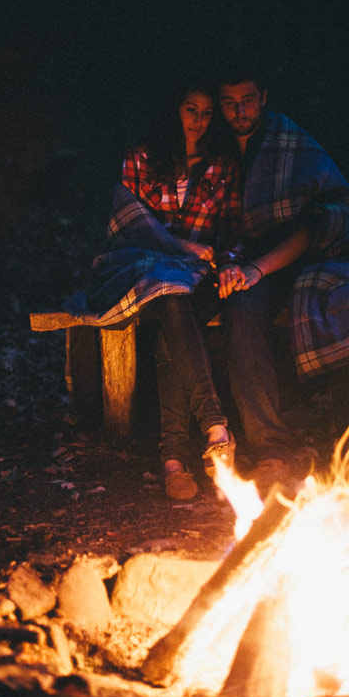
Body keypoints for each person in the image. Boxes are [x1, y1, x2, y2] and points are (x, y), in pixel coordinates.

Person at [213, 54, 349, 496]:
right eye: (229, 103)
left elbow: (321, 217)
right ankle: (271, 448)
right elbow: (211, 221)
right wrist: (232, 264)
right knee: (242, 310)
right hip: (245, 261)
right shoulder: (215, 149)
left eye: (248, 100)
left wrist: (259, 267)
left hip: (307, 255)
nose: (240, 112)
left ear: (263, 98)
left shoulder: (286, 141)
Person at [120, 79, 240, 500]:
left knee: (176, 318)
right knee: (172, 298)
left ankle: (173, 459)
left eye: (207, 113)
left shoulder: (221, 165)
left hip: (200, 277)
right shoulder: (141, 160)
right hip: (149, 273)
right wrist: (182, 246)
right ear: (176, 108)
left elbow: (231, 229)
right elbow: (128, 229)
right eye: (192, 110)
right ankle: (214, 428)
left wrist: (231, 262)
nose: (199, 121)